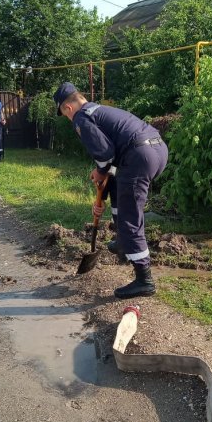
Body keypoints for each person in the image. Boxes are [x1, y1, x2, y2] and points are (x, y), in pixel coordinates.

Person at [53, 82, 168, 299]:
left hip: (139, 156)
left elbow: (105, 156)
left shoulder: (81, 118)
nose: (68, 119)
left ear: (67, 108)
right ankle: (124, 243)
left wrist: (99, 171)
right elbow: (112, 165)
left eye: (64, 114)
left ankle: (144, 280)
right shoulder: (100, 110)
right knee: (120, 190)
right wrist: (102, 197)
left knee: (129, 215)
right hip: (157, 149)